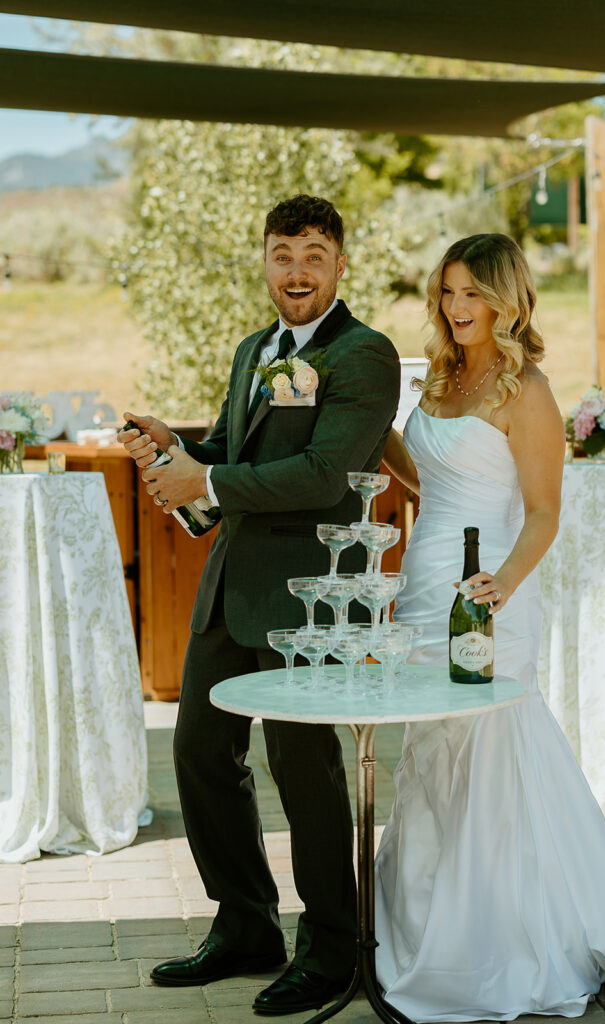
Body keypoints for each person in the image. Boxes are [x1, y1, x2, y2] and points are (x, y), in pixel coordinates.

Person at [375, 233, 605, 1021]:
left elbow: (545, 512)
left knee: (489, 752)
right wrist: (378, 432)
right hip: (421, 584)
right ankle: (423, 926)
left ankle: (495, 940)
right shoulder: (442, 377)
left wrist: (499, 585)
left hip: (491, 591)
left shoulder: (528, 389)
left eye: (472, 295)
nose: (456, 309)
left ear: (505, 299)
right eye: (446, 293)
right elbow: (427, 479)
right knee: (429, 748)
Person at [118, 194, 400, 1015]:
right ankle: (244, 925)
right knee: (200, 762)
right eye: (282, 253)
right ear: (264, 262)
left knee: (303, 775)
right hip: (230, 593)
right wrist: (173, 448)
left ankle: (331, 944)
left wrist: (203, 477)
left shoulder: (363, 355)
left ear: (340, 263)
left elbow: (322, 474)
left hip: (310, 603)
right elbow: (232, 461)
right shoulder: (254, 351)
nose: (297, 270)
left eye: (314, 253)